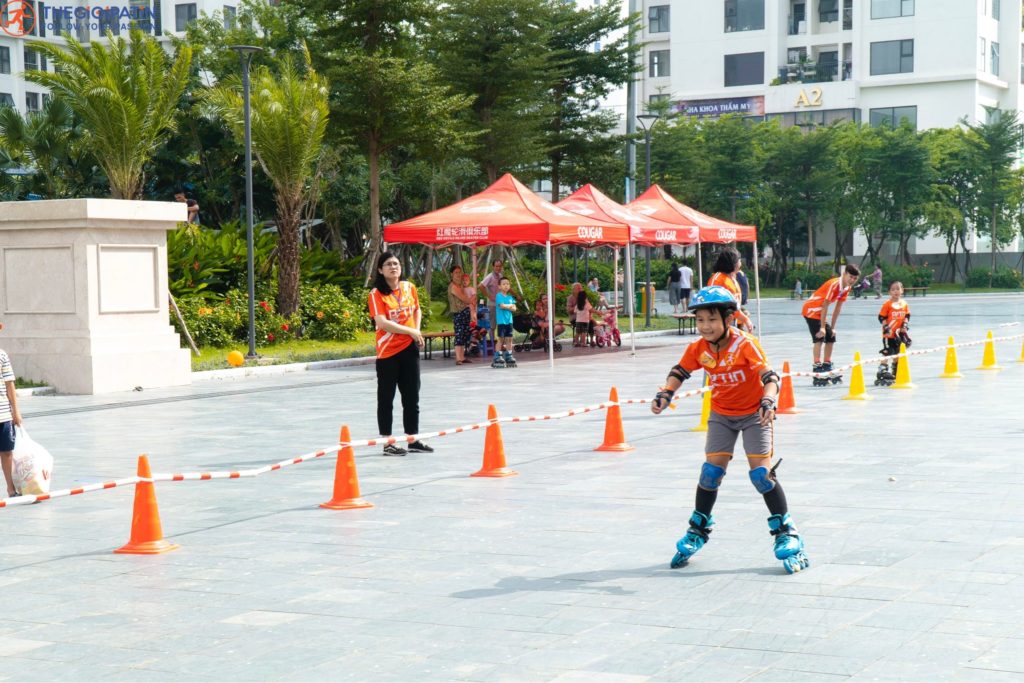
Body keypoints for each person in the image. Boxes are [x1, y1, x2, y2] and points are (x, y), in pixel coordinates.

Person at [650, 286, 808, 574]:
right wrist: (666, 394)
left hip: (754, 414)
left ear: (728, 318)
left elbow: (770, 377)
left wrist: (769, 399)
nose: (705, 327)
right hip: (722, 414)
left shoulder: (745, 344)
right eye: (699, 320)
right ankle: (698, 529)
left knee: (761, 475)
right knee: (710, 473)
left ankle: (786, 530)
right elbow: (680, 371)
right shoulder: (699, 348)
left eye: (711, 320)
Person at [368, 252, 432, 456]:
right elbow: (382, 322)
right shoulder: (376, 293)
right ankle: (387, 443)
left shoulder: (409, 287)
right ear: (380, 270)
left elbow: (417, 310)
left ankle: (412, 439)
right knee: (386, 398)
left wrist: (416, 330)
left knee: (412, 396)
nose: (393, 267)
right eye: (388, 264)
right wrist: (411, 331)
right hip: (388, 352)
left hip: (409, 349)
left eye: (396, 263)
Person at [802, 264, 861, 386]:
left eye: (855, 278)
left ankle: (827, 364)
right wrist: (823, 327)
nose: (852, 280)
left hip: (820, 312)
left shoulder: (847, 288)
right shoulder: (834, 284)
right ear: (844, 274)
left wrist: (833, 327)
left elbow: (838, 308)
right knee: (819, 337)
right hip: (812, 310)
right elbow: (825, 306)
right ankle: (817, 367)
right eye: (851, 277)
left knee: (831, 337)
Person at [707, 248, 754, 332]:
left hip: (731, 323)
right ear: (733, 263)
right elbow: (712, 305)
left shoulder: (732, 278)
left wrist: (744, 318)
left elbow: (734, 306)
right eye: (739, 260)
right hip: (720, 326)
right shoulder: (718, 279)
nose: (740, 263)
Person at [874, 281, 911, 386]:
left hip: (898, 334)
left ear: (902, 290)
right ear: (889, 292)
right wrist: (886, 326)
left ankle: (896, 368)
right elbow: (882, 317)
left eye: (898, 289)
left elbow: (907, 316)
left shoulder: (904, 304)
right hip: (889, 334)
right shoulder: (887, 304)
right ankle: (882, 369)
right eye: (893, 289)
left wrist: (905, 325)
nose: (896, 291)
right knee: (887, 351)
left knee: (897, 351)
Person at [1, 337, 24, 498]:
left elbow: (10, 384)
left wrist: (16, 411)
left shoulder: (2, 355)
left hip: (3, 414)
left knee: (7, 451)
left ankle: (11, 489)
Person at [448, 265, 476, 365]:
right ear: (451, 274)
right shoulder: (453, 287)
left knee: (465, 335)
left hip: (465, 312)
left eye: (459, 272)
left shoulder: (460, 285)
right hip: (458, 313)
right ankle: (458, 358)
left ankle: (462, 357)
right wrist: (472, 300)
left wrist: (471, 302)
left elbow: (466, 299)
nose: (458, 274)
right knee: (459, 335)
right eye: (456, 272)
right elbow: (464, 299)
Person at [492, 277, 518, 368]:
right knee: (501, 339)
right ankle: (498, 355)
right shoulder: (498, 296)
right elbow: (502, 306)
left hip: (509, 321)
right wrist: (510, 306)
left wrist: (510, 306)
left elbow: (515, 308)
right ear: (499, 286)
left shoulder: (510, 297)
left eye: (507, 284)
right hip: (501, 321)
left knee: (509, 339)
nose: (506, 285)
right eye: (504, 284)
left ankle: (509, 354)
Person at [478, 260, 503, 344]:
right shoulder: (490, 277)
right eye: (496, 266)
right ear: (493, 267)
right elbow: (481, 286)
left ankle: (500, 344)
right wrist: (489, 296)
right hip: (492, 305)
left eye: (499, 266)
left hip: (500, 305)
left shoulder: (500, 276)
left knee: (501, 325)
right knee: (492, 326)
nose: (498, 268)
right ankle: (493, 344)